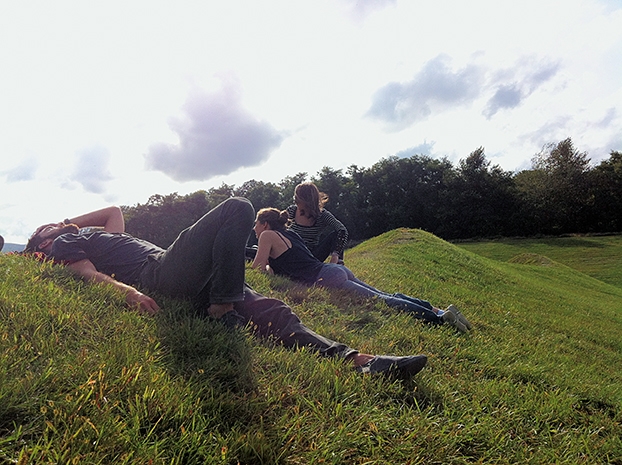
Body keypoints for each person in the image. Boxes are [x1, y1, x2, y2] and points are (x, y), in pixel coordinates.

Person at [22, 197, 428, 377]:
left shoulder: (89, 232)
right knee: (238, 208)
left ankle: (360, 361)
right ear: (41, 243)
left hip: (189, 273)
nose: (59, 224)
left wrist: (65, 220)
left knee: (275, 311)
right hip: (159, 273)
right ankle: (221, 309)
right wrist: (129, 293)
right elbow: (86, 273)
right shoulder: (61, 244)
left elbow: (113, 210)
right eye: (48, 227)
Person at [251, 208, 472, 332]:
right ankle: (439, 311)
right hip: (332, 270)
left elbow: (258, 267)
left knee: (383, 300)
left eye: (256, 224)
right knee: (385, 295)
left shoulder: (267, 236)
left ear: (265, 224)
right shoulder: (290, 234)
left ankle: (440, 320)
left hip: (325, 278)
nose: (254, 228)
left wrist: (264, 265)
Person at [286, 182, 348, 264]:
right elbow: (277, 229)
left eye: (297, 199)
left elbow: (342, 230)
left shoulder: (322, 215)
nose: (295, 201)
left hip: (312, 255)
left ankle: (338, 264)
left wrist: (335, 255)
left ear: (307, 200)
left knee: (337, 234)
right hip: (293, 253)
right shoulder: (291, 211)